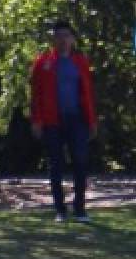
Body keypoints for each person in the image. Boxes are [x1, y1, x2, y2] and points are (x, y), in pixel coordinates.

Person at [30, 20, 97, 224]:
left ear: (73, 39)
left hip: (77, 119)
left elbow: (88, 93)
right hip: (52, 121)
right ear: (53, 39)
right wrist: (36, 121)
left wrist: (92, 121)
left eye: (67, 36)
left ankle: (80, 209)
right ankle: (60, 210)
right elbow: (35, 95)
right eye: (59, 36)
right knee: (56, 166)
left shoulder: (81, 62)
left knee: (80, 162)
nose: (63, 40)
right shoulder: (43, 63)